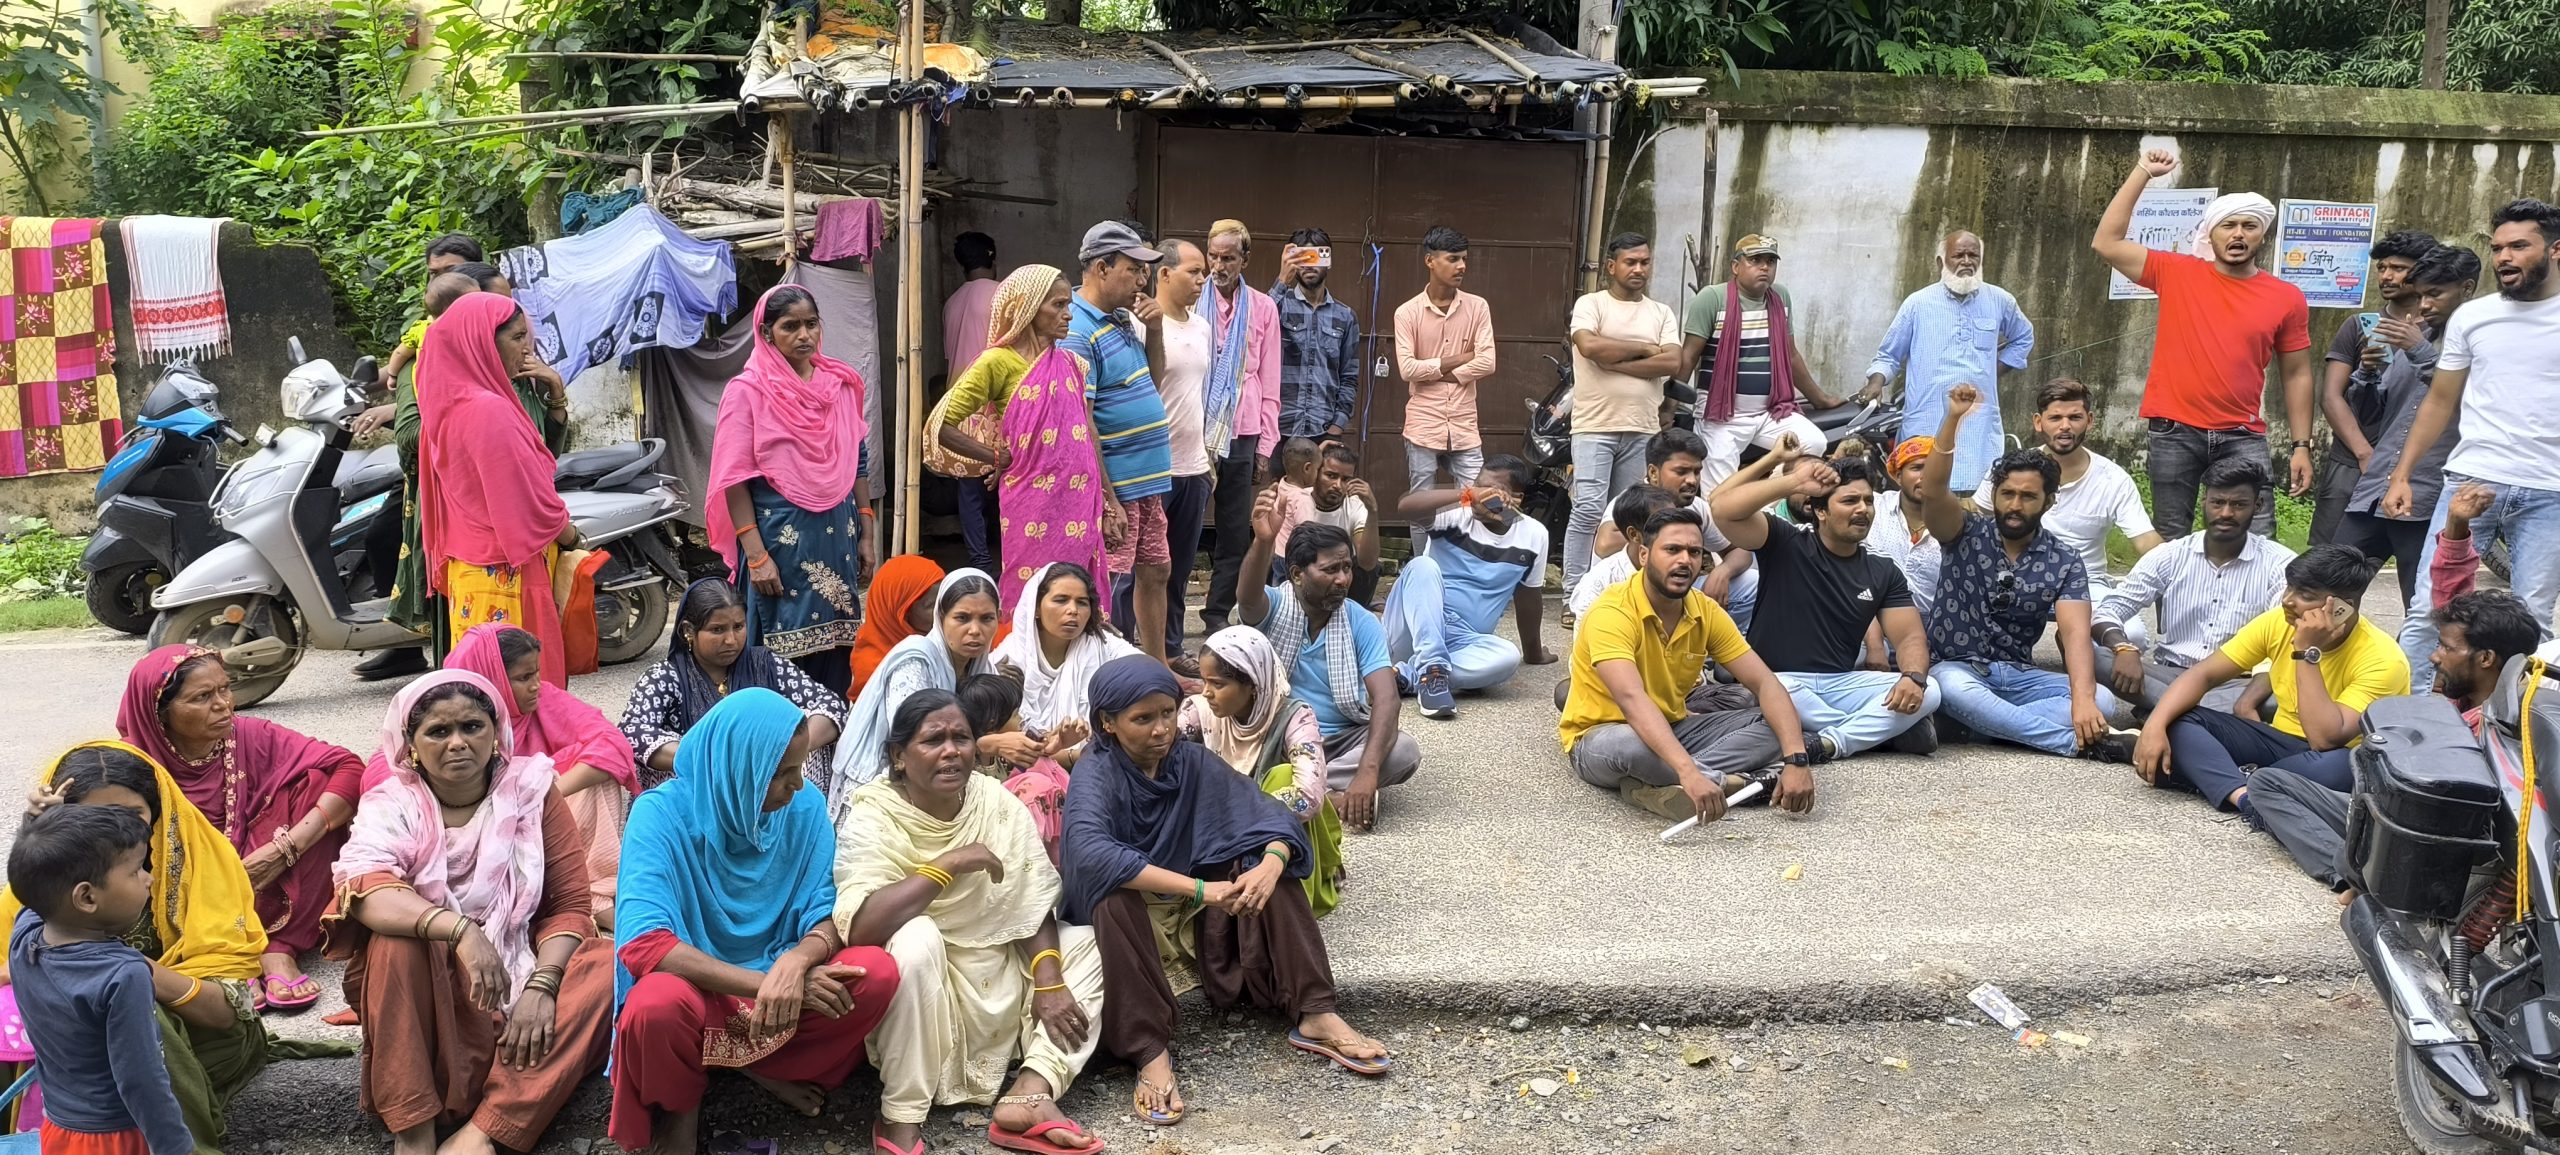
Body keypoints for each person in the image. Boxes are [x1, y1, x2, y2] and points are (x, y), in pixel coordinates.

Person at [1062, 656, 1390, 1128]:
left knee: (1264, 868)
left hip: (1193, 909)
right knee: (1112, 897)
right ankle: (1149, 1051)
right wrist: (1203, 890)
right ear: (1107, 723)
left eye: (1168, 713)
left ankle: (1316, 1011)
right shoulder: (1096, 773)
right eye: (1143, 718)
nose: (1161, 729)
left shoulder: (1189, 760)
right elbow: (1092, 854)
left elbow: (1268, 814)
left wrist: (1272, 863)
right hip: (1136, 923)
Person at [327, 670, 614, 1155]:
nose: (458, 743)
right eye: (439, 731)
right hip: (430, 988)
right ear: (411, 744)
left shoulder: (531, 791)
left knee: (608, 966)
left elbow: (569, 907)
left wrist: (542, 987)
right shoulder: (392, 804)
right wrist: (460, 931)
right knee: (395, 943)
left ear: (496, 733)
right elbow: (364, 889)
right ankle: (414, 1134)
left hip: (518, 969)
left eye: (472, 727)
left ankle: (483, 1132)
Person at [1, 743, 334, 1152]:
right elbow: (144, 1085)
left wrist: (141, 971)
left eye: (130, 816)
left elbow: (226, 1013)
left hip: (190, 1046)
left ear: (156, 811)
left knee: (147, 1014)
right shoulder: (116, 967)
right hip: (125, 1125)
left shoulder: (35, 931)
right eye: (91, 821)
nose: (147, 878)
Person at [609, 690, 900, 1155]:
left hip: (778, 980)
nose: (798, 785)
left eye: (800, 769)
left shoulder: (802, 808)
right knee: (655, 1007)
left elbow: (827, 910)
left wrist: (798, 962)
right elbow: (645, 944)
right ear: (738, 769)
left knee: (875, 972)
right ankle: (682, 1108)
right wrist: (769, 984)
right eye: (781, 774)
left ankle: (756, 1067)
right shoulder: (659, 814)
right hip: (699, 989)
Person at [834, 690, 1107, 1155]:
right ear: (898, 756)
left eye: (961, 738)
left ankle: (1030, 1090)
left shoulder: (993, 801)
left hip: (999, 964)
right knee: (916, 936)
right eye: (932, 740)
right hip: (926, 988)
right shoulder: (873, 813)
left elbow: (1032, 900)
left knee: (1085, 941)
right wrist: (949, 865)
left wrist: (1049, 982)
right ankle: (900, 1116)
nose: (951, 751)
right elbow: (861, 927)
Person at [116, 645, 362, 1010]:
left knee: (317, 783)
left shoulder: (247, 734)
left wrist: (285, 848)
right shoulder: (128, 764)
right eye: (202, 697)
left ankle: (279, 947)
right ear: (159, 713)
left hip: (258, 870)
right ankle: (224, 954)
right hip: (189, 899)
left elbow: (349, 768)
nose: (224, 705)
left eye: (225, 689)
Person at [2252, 588, 2542, 887]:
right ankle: (2355, 868)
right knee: (2267, 783)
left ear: (2486, 658)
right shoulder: (2464, 699)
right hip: (2389, 813)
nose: (2434, 656)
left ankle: (2358, 871)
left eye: (2446, 648)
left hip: (2424, 833)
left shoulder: (2501, 727)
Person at [2090, 148, 2313, 536]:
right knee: (2171, 537)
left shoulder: (2286, 297)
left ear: (2262, 234)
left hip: (2243, 433)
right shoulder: (2176, 272)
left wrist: (2301, 446)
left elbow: (2297, 374)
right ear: (2210, 233)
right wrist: (2143, 171)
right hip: (2174, 431)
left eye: (2249, 225)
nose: (2238, 233)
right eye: (2228, 225)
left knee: (2259, 536)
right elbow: (2106, 242)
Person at [2387, 199, 2560, 677]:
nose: (2504, 257)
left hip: (2551, 489)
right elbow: (2440, 400)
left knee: (2534, 620)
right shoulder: (2474, 316)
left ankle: (2514, 718)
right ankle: (2413, 718)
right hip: (2471, 481)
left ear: (2555, 249)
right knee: (2429, 609)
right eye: (2498, 248)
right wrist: (2401, 474)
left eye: (2519, 246)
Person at [1558, 505, 1813, 820]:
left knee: (1780, 724)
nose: (1684, 560)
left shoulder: (1704, 610)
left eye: (1694, 552)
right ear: (1643, 556)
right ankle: (1731, 782)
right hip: (1603, 738)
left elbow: (1765, 683)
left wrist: (1796, 760)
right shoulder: (1612, 612)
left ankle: (1659, 782)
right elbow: (1631, 698)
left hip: (1673, 727)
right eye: (1672, 550)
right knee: (1631, 745)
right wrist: (1687, 770)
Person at [2124, 547, 2412, 822]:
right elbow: (2204, 675)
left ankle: (2221, 774)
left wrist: (2306, 652)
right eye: (2289, 588)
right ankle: (2245, 795)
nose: (2287, 600)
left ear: (2341, 609)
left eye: (2304, 595)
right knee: (2179, 718)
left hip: (2334, 757)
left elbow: (2325, 739)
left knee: (2346, 768)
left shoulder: (2384, 659)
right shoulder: (2278, 621)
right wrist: (2155, 726)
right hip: (2278, 742)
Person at [1916, 386, 2122, 758]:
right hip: (1956, 669)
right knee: (1953, 689)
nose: (2014, 505)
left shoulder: (2064, 559)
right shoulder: (1962, 531)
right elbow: (1932, 491)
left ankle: (1977, 726)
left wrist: (2083, 699)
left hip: (2019, 676)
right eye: (2007, 494)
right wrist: (1953, 419)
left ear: (2049, 502)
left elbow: (2076, 634)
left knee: (2102, 701)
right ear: (1994, 494)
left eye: (2028, 497)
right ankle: (2070, 745)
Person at [1711, 448, 1940, 761]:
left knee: (1931, 689)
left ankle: (1829, 741)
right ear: (1821, 511)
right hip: (1778, 681)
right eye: (1850, 501)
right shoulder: (1785, 540)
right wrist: (1794, 481)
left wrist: (1912, 677)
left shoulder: (1883, 569)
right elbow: (1722, 509)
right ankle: (1877, 733)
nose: (1863, 509)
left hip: (1840, 683)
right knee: (1777, 688)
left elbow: (1910, 637)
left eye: (1868, 501)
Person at [709, 285, 875, 698]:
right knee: (776, 663)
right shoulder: (747, 392)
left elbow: (857, 461)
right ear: (766, 332)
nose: (804, 335)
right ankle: (780, 737)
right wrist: (756, 556)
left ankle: (829, 732)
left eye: (811, 324)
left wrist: (867, 532)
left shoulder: (840, 385)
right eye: (790, 326)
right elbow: (734, 479)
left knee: (837, 654)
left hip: (837, 540)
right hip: (779, 546)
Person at [416, 292, 582, 687]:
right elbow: (529, 502)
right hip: (508, 572)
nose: (528, 348)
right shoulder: (488, 410)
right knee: (524, 693)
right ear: (481, 344)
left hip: (470, 575)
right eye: (517, 337)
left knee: (482, 692)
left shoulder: (444, 406)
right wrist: (573, 538)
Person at [6, 804, 191, 1155]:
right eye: (136, 870)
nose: (149, 879)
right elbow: (141, 1079)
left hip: (58, 1128)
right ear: (87, 897)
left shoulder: (24, 936)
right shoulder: (123, 975)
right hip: (116, 1137)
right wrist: (175, 1147)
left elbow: (35, 886)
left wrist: (40, 825)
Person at [932, 263, 1111, 615]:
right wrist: (994, 457)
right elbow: (941, 425)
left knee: (1076, 596)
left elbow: (1086, 434)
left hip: (1078, 503)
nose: (1068, 314)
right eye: (1058, 305)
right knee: (1032, 595)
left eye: (1068, 304)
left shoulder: (1072, 364)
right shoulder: (997, 363)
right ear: (1026, 308)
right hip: (1031, 502)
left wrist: (1108, 499)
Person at [442, 624, 641, 928]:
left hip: (539, 819)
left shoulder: (543, 699)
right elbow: (390, 770)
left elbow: (612, 744)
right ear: (490, 678)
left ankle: (594, 892)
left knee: (593, 772)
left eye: (536, 673)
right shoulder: (445, 717)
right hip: (474, 834)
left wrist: (545, 794)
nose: (536, 685)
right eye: (523, 678)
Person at [1239, 520, 1420, 831]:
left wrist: (1367, 772)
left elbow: (1387, 699)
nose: (1343, 579)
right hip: (1277, 740)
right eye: (1331, 570)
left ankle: (1285, 793)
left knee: (1404, 750)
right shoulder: (1275, 607)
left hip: (1341, 741)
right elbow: (1247, 599)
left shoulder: (1361, 622)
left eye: (1347, 568)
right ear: (1297, 574)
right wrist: (1263, 542)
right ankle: (1328, 801)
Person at [2333, 245, 2481, 607]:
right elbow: (2374, 413)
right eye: (2420, 295)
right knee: (2328, 586)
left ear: (2467, 288)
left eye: (2435, 294)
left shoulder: (2483, 344)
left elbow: (2470, 401)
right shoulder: (2414, 338)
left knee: (2424, 605)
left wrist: (2419, 351)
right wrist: (2367, 372)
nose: (2424, 305)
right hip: (2375, 490)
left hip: (2429, 496)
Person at [2093, 458, 2297, 712]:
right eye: (2218, 502)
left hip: (2239, 682)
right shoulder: (2170, 555)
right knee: (2096, 658)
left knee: (2280, 698)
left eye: (2239, 505)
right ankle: (2200, 716)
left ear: (2257, 506)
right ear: (2204, 501)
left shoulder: (2280, 564)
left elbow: (2285, 638)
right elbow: (2108, 610)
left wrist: (2248, 700)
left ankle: (2169, 712)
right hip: (2173, 675)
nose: (2226, 513)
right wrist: (2123, 648)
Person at [1059, 221, 1177, 661]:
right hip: (1118, 485)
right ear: (1102, 268)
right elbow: (1083, 423)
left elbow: (1152, 382)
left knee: (1156, 570)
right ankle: (1100, 673)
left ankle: (1157, 666)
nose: (1142, 280)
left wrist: (1156, 331)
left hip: (1146, 482)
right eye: (1133, 269)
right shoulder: (1076, 329)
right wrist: (1108, 501)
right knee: (1105, 583)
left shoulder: (1122, 318)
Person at [621, 579, 849, 790]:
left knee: (807, 738)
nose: (731, 640)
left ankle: (792, 816)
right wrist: (712, 759)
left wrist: (788, 750)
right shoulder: (665, 677)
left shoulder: (766, 666)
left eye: (738, 627)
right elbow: (634, 731)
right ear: (688, 631)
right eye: (717, 630)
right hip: (702, 784)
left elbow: (830, 704)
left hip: (768, 780)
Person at [1181, 626, 1343, 917]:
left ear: (1253, 684)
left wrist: (1236, 813)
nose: (1207, 692)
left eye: (1218, 684)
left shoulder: (1294, 717)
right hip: (1223, 833)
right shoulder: (1198, 711)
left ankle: (1290, 902)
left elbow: (1309, 797)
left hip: (1278, 834)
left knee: (1282, 775)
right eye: (1204, 681)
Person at [1970, 378, 2162, 617]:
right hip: (2014, 576)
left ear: (2089, 420)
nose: (2065, 426)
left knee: (2130, 634)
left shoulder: (2113, 479)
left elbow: (2145, 540)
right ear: (2038, 422)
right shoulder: (2013, 469)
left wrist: (2181, 561)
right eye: (2055, 418)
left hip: (2087, 581)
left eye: (2074, 417)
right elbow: (1973, 515)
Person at [1384, 454, 1556, 720]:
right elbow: (1406, 507)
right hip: (1414, 630)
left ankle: (1410, 676)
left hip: (1465, 642)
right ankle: (1431, 668)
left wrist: (1533, 653)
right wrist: (1466, 494)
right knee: (1422, 565)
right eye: (1477, 486)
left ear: (1516, 498)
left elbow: (1528, 596)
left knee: (1507, 657)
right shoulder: (1457, 513)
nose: (1479, 495)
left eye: (1491, 491)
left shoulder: (1534, 535)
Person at [1861, 231, 2036, 491]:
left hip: (1978, 423)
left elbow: (2023, 337)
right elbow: (1888, 355)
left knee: (1977, 492)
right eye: (1958, 255)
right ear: (1941, 262)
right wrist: (1876, 383)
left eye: (1973, 255)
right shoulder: (1918, 304)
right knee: (1924, 491)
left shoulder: (2000, 301)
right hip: (1927, 417)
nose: (1966, 261)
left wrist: (1994, 371)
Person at [1563, 233, 1686, 592]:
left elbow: (1673, 361)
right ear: (1611, 266)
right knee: (1588, 509)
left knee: (1628, 516)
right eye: (1630, 262)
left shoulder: (1661, 312)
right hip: (1594, 425)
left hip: (1642, 428)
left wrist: (1614, 362)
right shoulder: (1592, 304)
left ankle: (1618, 590)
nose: (1638, 269)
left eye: (1644, 262)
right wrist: (1645, 349)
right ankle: (1574, 592)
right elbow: (1589, 345)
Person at [1680, 233, 1841, 484]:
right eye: (1755, 260)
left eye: (1770, 261)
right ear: (1736, 267)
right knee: (1719, 494)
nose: (1764, 267)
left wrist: (1820, 399)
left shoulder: (1780, 298)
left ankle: (1771, 499)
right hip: (1722, 417)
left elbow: (1791, 355)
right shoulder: (1713, 298)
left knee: (1814, 442)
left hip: (1769, 413)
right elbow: (1688, 357)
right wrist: (1669, 406)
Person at [2311, 229, 2438, 546]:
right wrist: (2364, 453)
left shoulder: (2442, 330)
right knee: (2330, 559)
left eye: (2398, 268)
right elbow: (2331, 396)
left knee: (2417, 562)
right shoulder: (2359, 325)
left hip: (2414, 466)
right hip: (2352, 460)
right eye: (2382, 268)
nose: (2386, 276)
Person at [833, 570, 1003, 807]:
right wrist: (986, 744)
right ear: (940, 617)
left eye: (986, 619)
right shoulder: (916, 659)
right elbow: (913, 738)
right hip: (886, 786)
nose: (975, 630)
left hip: (942, 779)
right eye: (962, 618)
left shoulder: (983, 668)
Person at [1119, 237, 1214, 662]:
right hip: (1150, 467)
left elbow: (1200, 395)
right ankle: (1124, 650)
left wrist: (1209, 460)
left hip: (1193, 465)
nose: (1202, 280)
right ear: (1164, 273)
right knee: (1136, 569)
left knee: (1176, 566)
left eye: (1203, 273)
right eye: (1194, 271)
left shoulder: (1202, 327)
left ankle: (1170, 650)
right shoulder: (1136, 324)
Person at [1197, 220, 1286, 646]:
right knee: (1181, 525)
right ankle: (1169, 613)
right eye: (1213, 256)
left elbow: (1270, 381)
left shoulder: (1263, 307)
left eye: (1228, 258)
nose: (1218, 265)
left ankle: (1217, 613)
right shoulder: (1190, 299)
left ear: (1244, 260)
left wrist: (1266, 446)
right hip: (1193, 427)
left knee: (1234, 528)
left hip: (1243, 429)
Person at [1588, 428, 1757, 627]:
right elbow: (1604, 545)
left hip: (1677, 589)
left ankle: (1719, 642)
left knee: (1751, 582)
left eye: (1697, 471)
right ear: (1653, 472)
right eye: (1681, 471)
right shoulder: (1631, 501)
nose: (1692, 480)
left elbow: (1740, 550)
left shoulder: (1696, 506)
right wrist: (1659, 533)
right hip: (1625, 598)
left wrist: (1722, 572)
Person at [990, 562, 1139, 771]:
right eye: (1061, 600)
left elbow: (1147, 673)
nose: (1073, 610)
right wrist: (1072, 755)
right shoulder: (1006, 660)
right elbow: (1013, 745)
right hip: (1027, 772)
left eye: (1082, 602)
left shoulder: (1100, 643)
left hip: (1097, 761)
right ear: (1036, 608)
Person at [1394, 226, 1496, 500]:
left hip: (1464, 424)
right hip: (1423, 423)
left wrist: (1431, 371)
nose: (1462, 266)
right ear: (1430, 260)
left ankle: (1464, 533)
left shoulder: (1478, 307)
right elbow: (1407, 369)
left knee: (1477, 498)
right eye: (1453, 259)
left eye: (1464, 259)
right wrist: (1463, 358)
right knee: (1422, 502)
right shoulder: (1407, 313)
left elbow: (1488, 363)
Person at [934, 231, 1005, 575]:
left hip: (958, 402)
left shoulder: (952, 302)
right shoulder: (1001, 294)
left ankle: (979, 559)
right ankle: (1006, 553)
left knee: (970, 490)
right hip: (993, 401)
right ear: (992, 257)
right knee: (1006, 481)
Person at [1271, 227, 1361, 443]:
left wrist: (1337, 426)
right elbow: (1254, 330)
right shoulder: (1277, 307)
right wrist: (1282, 279)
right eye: (1302, 257)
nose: (1309, 265)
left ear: (1328, 260)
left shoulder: (1345, 316)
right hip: (1278, 429)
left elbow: (1349, 376)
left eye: (1316, 256)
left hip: (1323, 430)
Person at [1569, 484, 1682, 620]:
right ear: (1634, 534)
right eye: (1661, 526)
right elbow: (1587, 631)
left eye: (1676, 523)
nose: (1674, 534)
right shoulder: (1599, 583)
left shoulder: (1681, 569)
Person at [851, 555, 950, 699]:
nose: (944, 612)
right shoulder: (876, 673)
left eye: (945, 602)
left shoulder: (945, 642)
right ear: (903, 612)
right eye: (932, 605)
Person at [1866, 436, 1944, 617]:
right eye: (1917, 467)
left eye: (1935, 467)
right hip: (1869, 622)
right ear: (1898, 476)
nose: (1926, 475)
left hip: (1935, 627)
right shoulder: (1873, 506)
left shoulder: (1958, 525)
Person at [1307, 442, 1380, 608]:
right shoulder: (1298, 499)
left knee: (1369, 569)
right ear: (1315, 473)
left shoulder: (1354, 505)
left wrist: (1373, 511)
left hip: (1340, 578)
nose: (1338, 485)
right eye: (1331, 476)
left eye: (1346, 479)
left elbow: (1368, 563)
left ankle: (1354, 612)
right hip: (1307, 576)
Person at [1262, 437, 1323, 583]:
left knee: (1279, 587)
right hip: (1294, 557)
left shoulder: (1282, 485)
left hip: (1278, 553)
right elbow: (1306, 531)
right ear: (1307, 468)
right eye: (1318, 469)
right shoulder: (1302, 499)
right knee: (1293, 590)